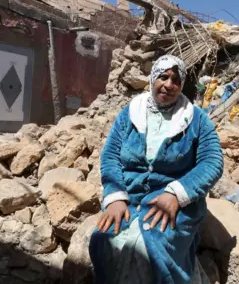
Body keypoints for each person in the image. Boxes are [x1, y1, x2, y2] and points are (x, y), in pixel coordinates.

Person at [89, 55, 224, 284]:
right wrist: (115, 198)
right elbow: (111, 156)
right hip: (130, 197)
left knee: (151, 244)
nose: (168, 84)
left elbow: (212, 162)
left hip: (175, 203)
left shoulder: (196, 119)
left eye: (175, 80)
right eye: (163, 76)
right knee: (105, 240)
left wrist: (176, 194)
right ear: (153, 78)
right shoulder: (131, 113)